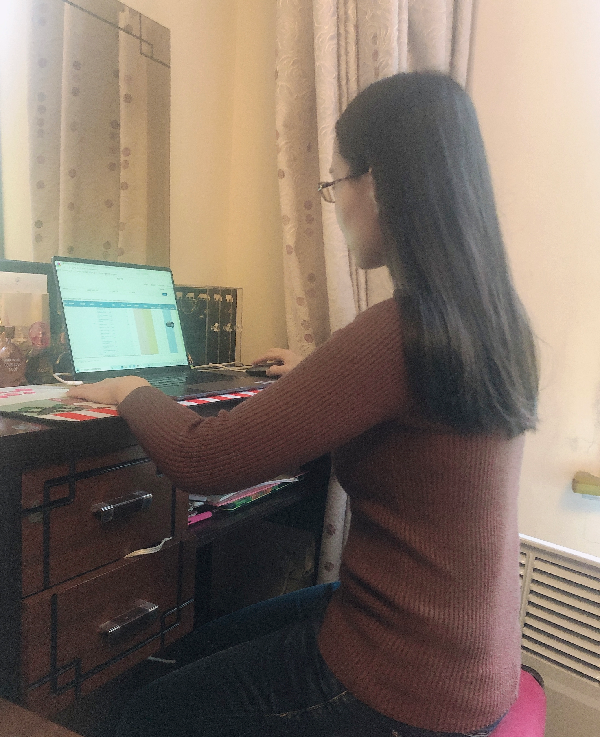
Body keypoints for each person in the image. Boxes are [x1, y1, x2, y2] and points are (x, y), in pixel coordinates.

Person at [66, 72, 538, 737]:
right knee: (196, 649)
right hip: (471, 665)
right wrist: (318, 372)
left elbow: (206, 459)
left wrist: (128, 388)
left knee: (147, 712)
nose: (336, 205)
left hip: (407, 686)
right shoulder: (491, 324)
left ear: (376, 184)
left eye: (335, 182)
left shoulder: (397, 332)